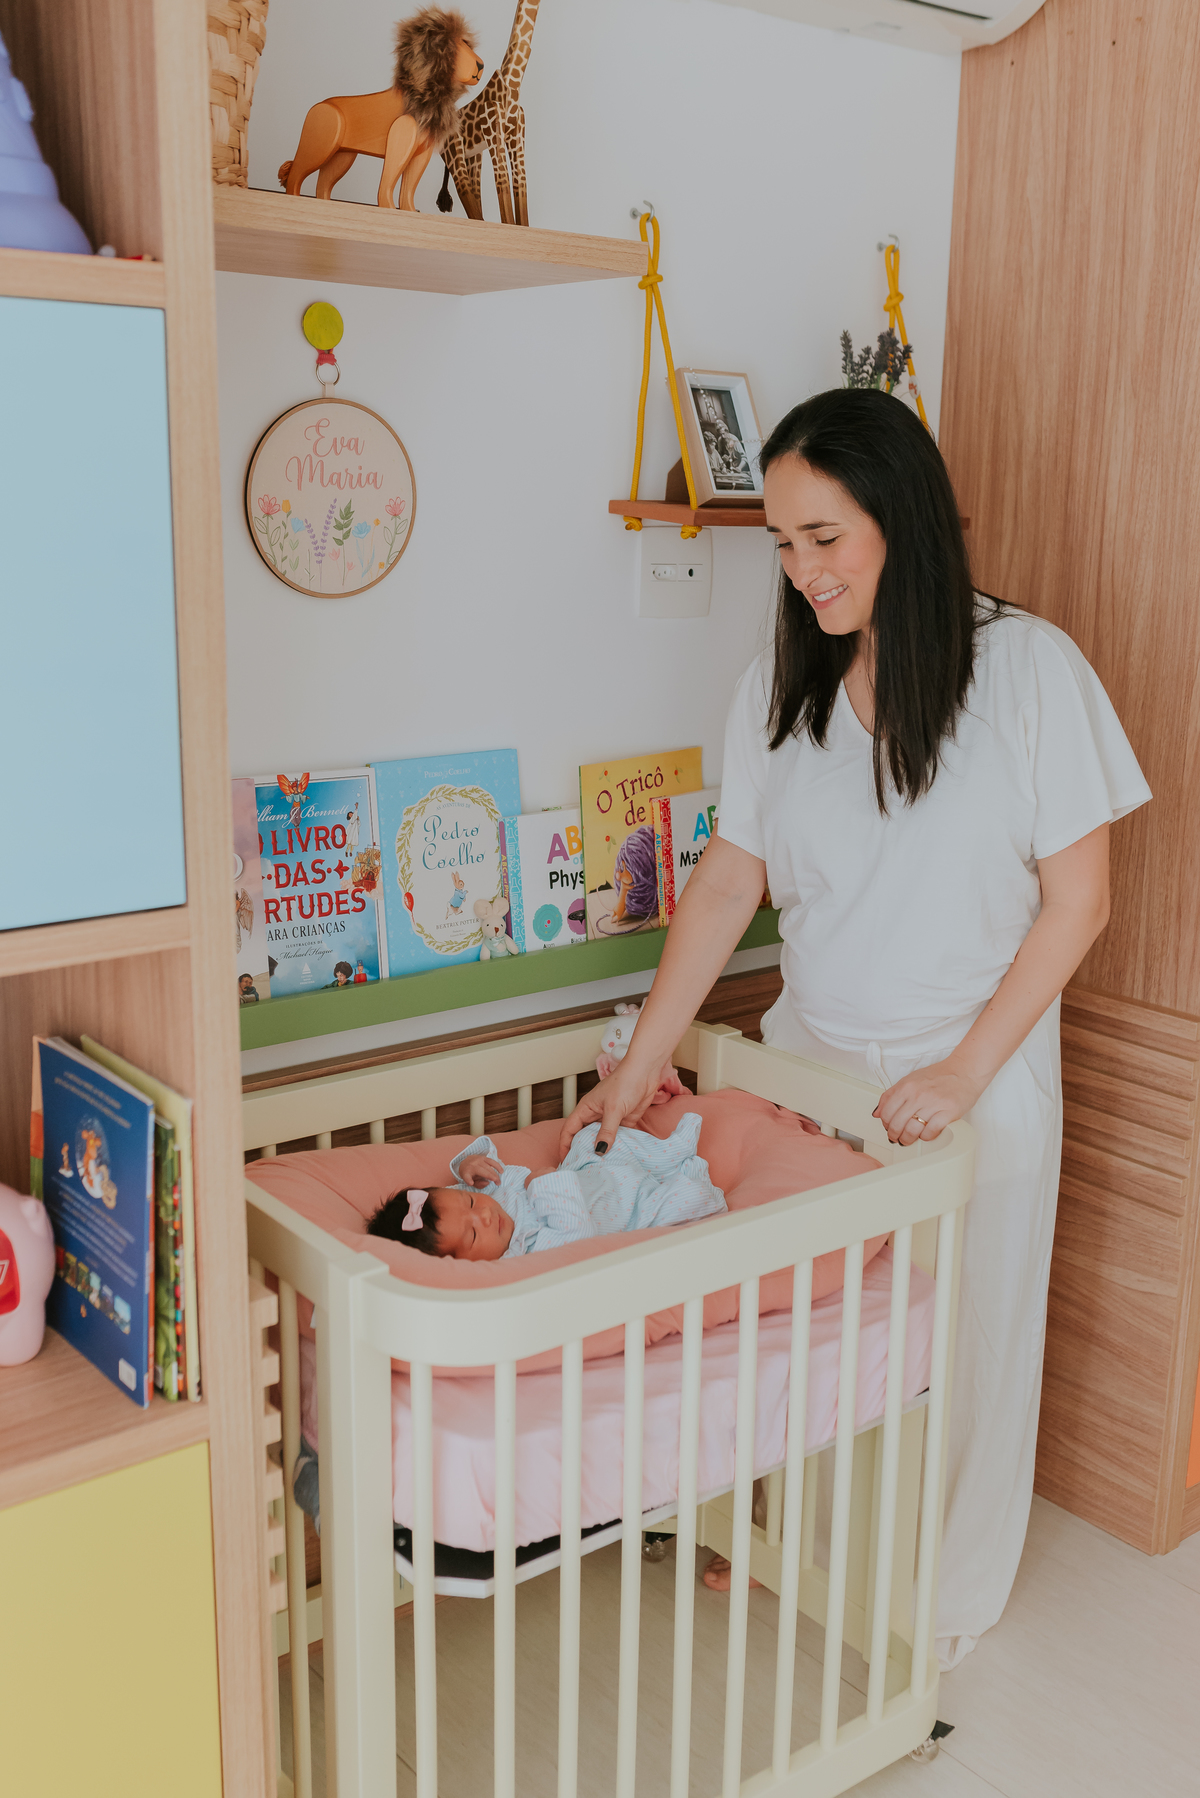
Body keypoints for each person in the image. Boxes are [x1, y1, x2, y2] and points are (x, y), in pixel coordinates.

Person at [558, 387, 1150, 1668]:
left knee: (964, 1340)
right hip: (811, 1068)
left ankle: (931, 1599)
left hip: (970, 1073)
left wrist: (963, 1069)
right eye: (781, 540)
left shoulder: (1030, 671)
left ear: (903, 517)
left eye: (824, 536)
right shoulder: (786, 679)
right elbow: (729, 879)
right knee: (810, 1337)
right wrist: (641, 1063)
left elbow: (1081, 901)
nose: (800, 569)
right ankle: (799, 1545)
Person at [367, 1115, 725, 1260]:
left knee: (590, 1136)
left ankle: (670, 1151)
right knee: (688, 1199)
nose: (487, 1216)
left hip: (594, 1172)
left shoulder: (488, 1198)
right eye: (474, 1236)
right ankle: (685, 1176)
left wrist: (468, 1168)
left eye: (471, 1202)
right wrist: (545, 1184)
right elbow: (577, 1234)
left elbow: (494, 1174)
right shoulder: (524, 1252)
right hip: (630, 1209)